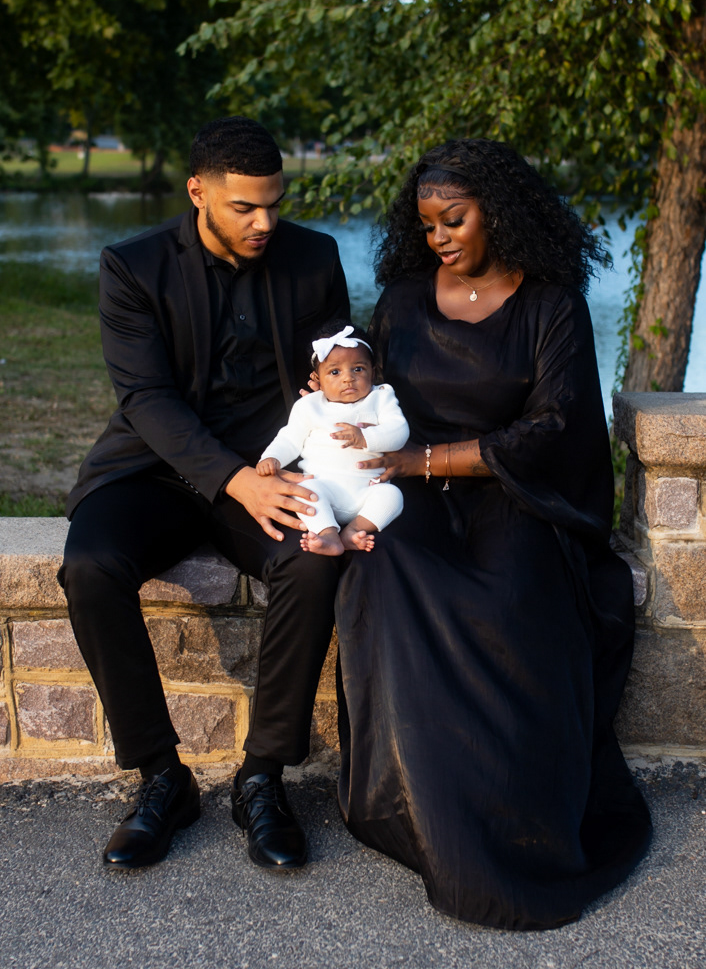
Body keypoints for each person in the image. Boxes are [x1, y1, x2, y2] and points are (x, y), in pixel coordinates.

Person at [334, 138, 652, 930]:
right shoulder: (402, 301)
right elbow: (372, 400)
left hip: (517, 495)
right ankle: (421, 804)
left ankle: (512, 813)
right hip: (411, 492)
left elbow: (552, 429)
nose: (439, 236)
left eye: (455, 219)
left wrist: (425, 459)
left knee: (509, 599)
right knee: (386, 566)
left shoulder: (551, 305)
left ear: (499, 213)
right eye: (427, 224)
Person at [58, 116, 350, 872]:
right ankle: (162, 778)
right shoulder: (133, 266)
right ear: (198, 192)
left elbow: (340, 369)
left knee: (312, 561)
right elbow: (146, 399)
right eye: (244, 207)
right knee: (90, 565)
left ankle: (262, 777)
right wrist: (234, 479)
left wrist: (339, 419)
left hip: (270, 469)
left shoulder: (314, 257)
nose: (265, 223)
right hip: (155, 469)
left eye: (274, 204)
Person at [257, 322, 409, 555]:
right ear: (317, 377)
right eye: (335, 372)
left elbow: (399, 431)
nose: (348, 378)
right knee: (303, 489)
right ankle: (328, 535)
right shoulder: (309, 405)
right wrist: (272, 458)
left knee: (393, 497)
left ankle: (353, 531)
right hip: (322, 486)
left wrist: (366, 437)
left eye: (358, 369)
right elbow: (289, 438)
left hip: (368, 491)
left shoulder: (381, 398)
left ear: (373, 372)